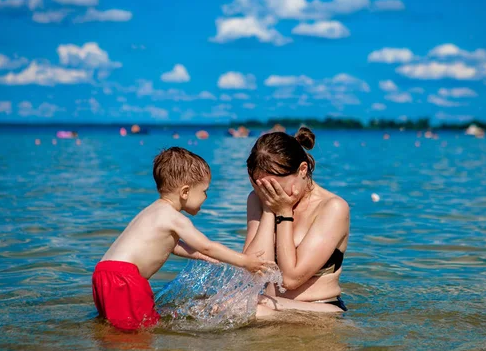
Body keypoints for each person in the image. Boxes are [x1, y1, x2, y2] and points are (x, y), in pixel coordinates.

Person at [92, 147, 275, 330]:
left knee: (114, 328)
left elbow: (169, 246)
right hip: (125, 278)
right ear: (185, 192)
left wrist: (197, 255)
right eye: (204, 191)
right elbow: (208, 246)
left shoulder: (153, 211)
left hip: (104, 273)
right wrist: (244, 261)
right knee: (140, 332)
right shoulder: (175, 218)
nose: (206, 197)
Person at [243, 127, 350, 314]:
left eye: (276, 187)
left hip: (319, 308)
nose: (270, 193)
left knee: (252, 310)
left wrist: (283, 212)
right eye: (263, 187)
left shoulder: (332, 207)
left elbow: (290, 280)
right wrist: (269, 209)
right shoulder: (258, 199)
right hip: (271, 305)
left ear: (302, 170)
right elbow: (252, 272)